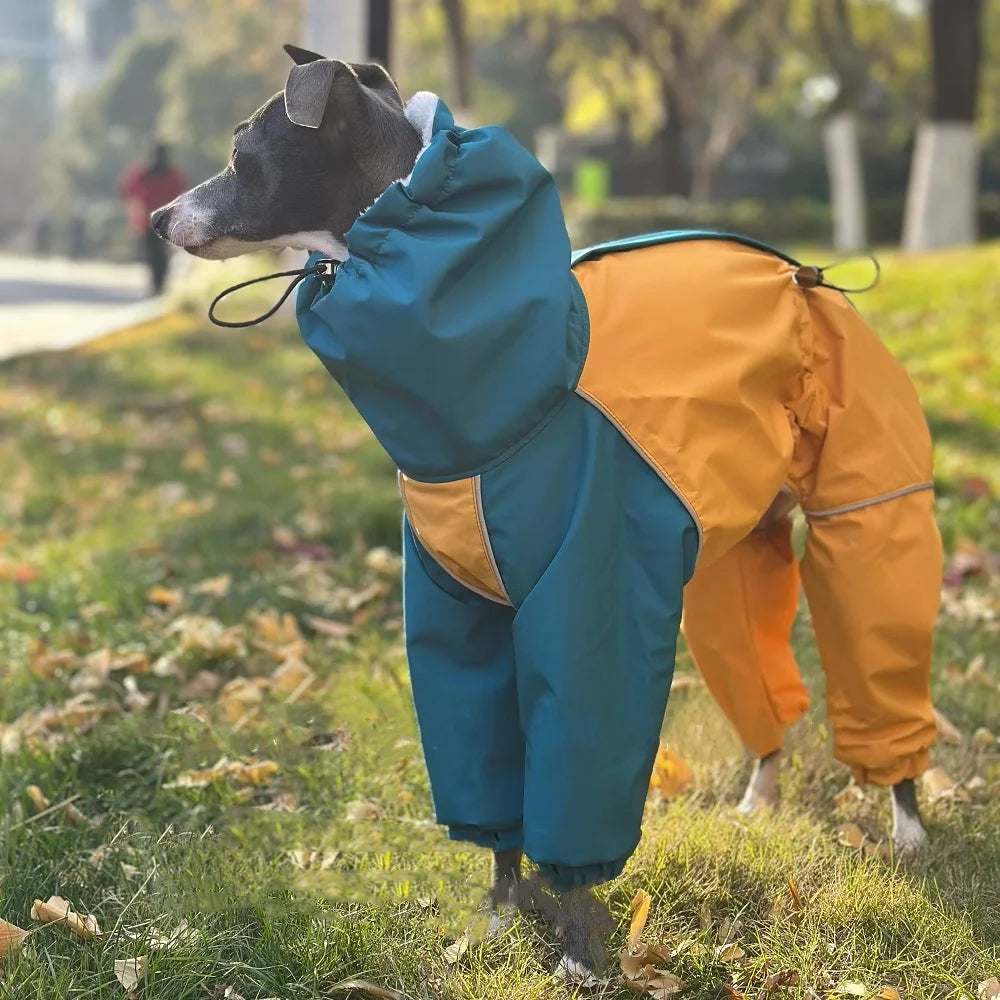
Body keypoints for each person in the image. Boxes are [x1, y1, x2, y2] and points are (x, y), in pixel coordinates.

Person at [118, 142, 187, 296]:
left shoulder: (148, 173)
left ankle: (158, 285)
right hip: (159, 222)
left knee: (156, 255)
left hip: (156, 222)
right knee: (157, 255)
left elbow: (127, 190)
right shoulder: (164, 174)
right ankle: (158, 284)